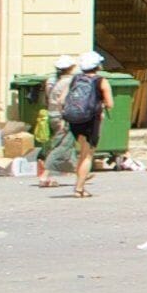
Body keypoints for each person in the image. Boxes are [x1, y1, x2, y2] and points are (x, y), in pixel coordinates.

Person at [46, 50, 108, 196]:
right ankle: (77, 186)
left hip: (68, 118)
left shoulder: (60, 80)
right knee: (83, 153)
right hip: (89, 120)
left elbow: (61, 100)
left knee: (72, 149)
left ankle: (79, 178)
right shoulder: (99, 81)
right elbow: (110, 102)